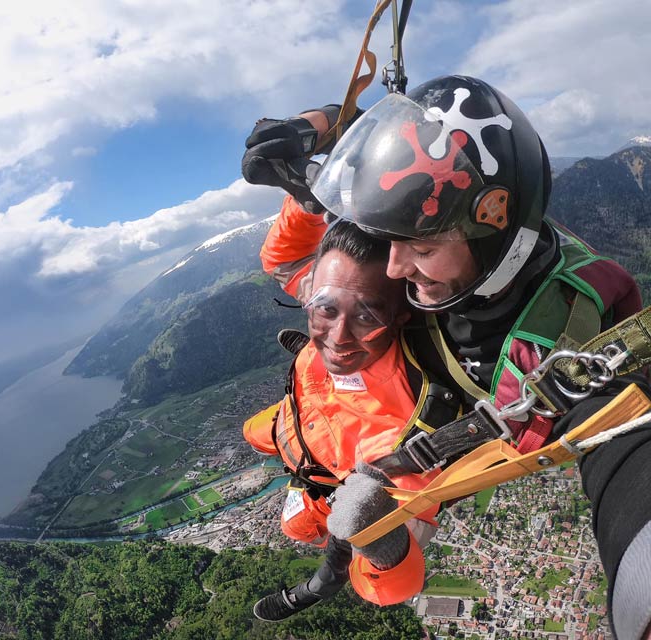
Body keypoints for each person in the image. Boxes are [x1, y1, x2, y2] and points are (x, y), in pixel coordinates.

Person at [242, 75, 651, 640]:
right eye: (325, 308)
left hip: (338, 471)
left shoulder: (553, 352)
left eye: (423, 250)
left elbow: (626, 449)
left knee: (306, 523)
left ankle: (314, 554)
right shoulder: (383, 278)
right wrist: (320, 138)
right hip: (296, 428)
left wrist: (382, 546)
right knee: (265, 436)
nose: (395, 270)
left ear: (489, 237)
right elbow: (293, 261)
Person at [244, 216, 447, 621]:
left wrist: (382, 543)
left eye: (366, 317)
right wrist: (307, 200)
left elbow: (390, 589)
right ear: (312, 298)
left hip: (321, 460)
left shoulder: (400, 433)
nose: (337, 338)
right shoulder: (339, 284)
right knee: (251, 432)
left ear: (400, 317)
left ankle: (320, 576)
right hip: (304, 414)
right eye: (325, 310)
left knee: (295, 525)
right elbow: (281, 259)